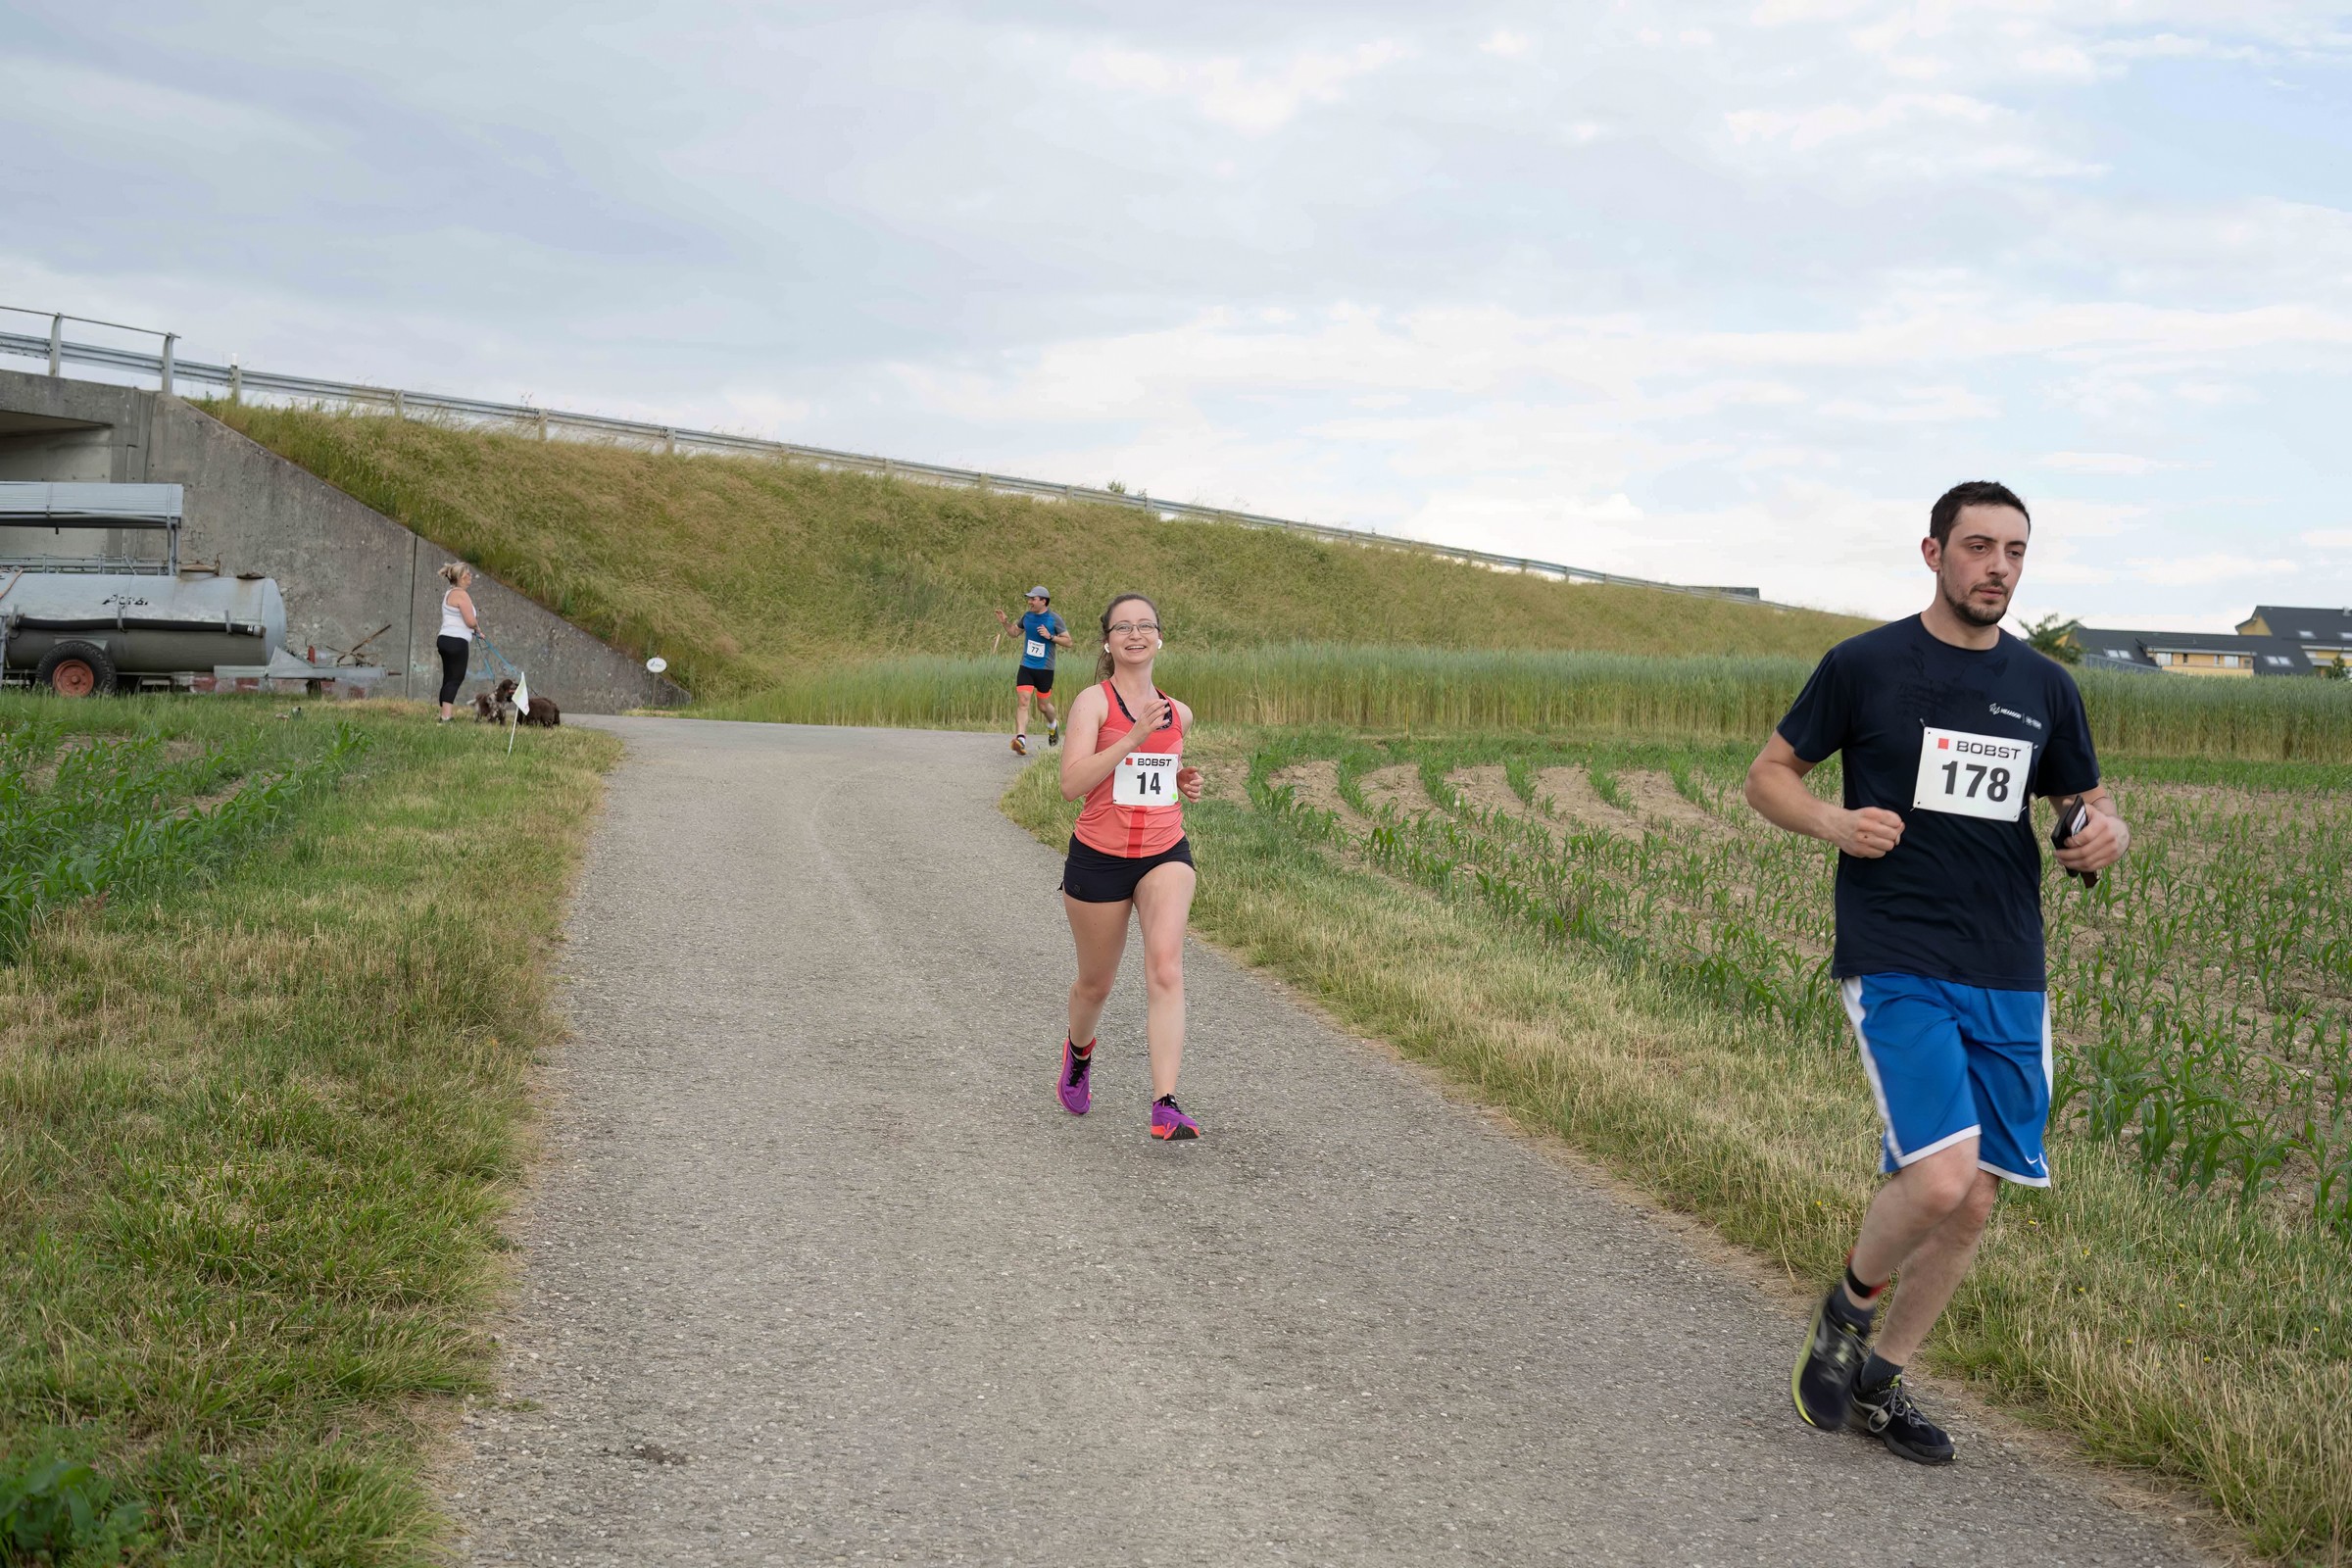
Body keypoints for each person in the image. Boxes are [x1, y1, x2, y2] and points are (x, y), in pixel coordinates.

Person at [1744, 481, 2131, 1464]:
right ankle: (1847, 1310)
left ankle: (1878, 1384)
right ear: (1934, 553)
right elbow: (1769, 776)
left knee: (1977, 1197)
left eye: (2015, 551)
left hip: (2007, 961)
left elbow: (2083, 801)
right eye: (1979, 546)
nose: (1998, 567)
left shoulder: (2045, 686)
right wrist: (1834, 821)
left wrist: (2101, 833)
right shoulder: (1865, 665)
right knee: (1941, 1172)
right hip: (1897, 949)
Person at [1054, 593, 1206, 1140]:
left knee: (1166, 967)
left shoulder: (1179, 712)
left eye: (1145, 626)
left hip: (1165, 850)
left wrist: (1181, 780)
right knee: (1095, 985)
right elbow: (1072, 784)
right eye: (1123, 627)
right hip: (1099, 858)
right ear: (1107, 642)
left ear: (1160, 638)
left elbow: (1157, 772)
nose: (1135, 634)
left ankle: (1165, 1103)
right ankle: (1078, 1054)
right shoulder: (1092, 704)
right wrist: (1135, 736)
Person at [996, 586, 1070, 756]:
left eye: (1033, 599)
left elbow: (1069, 642)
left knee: (1043, 706)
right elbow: (1014, 633)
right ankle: (1021, 739)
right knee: (1023, 701)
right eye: (1029, 599)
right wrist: (1005, 623)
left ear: (1043, 601)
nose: (1029, 602)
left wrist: (1050, 637)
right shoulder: (1027, 617)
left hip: (1045, 669)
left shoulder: (1054, 619)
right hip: (1027, 666)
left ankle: (1053, 725)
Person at [435, 563, 479, 723]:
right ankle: (446, 717)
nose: (470, 576)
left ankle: (444, 713)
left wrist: (475, 629)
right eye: (468, 574)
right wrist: (477, 629)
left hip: (444, 639)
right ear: (461, 578)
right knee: (455, 678)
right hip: (457, 641)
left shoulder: (449, 593)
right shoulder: (462, 595)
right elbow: (470, 621)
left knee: (448, 677)